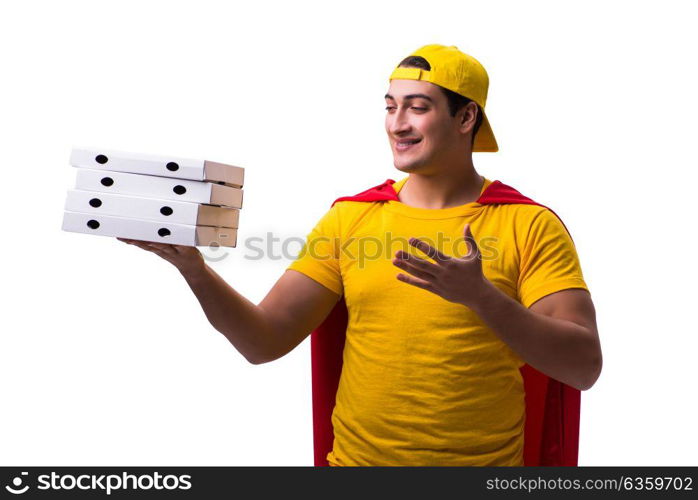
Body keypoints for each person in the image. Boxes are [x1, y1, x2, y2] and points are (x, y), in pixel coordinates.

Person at [118, 44, 602, 466]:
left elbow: (583, 367)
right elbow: (263, 342)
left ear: (466, 117)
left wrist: (482, 298)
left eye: (417, 107)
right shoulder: (351, 219)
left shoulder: (528, 224)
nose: (398, 123)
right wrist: (195, 271)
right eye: (390, 106)